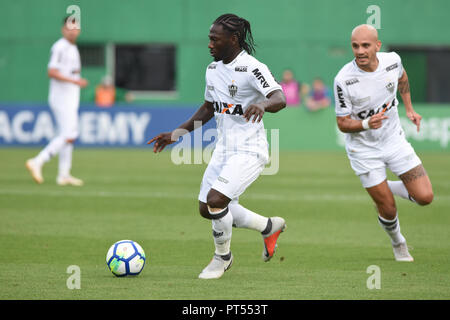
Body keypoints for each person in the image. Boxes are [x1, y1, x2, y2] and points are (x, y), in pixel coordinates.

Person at [148, 14, 287, 279]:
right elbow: (209, 108)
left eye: (215, 39)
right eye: (209, 39)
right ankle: (269, 226)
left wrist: (263, 104)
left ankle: (222, 258)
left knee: (216, 201)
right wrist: (176, 134)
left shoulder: (252, 67)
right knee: (206, 208)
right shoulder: (212, 70)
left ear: (233, 39)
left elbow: (279, 97)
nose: (209, 44)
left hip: (249, 151)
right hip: (224, 149)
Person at [334, 24, 434, 262]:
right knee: (388, 208)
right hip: (364, 150)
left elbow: (402, 78)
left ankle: (380, 187)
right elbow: (342, 123)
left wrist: (409, 108)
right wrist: (367, 123)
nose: (360, 51)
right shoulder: (344, 79)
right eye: (355, 46)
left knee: (425, 197)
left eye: (365, 45)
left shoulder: (392, 61)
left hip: (394, 141)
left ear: (377, 46)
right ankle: (398, 242)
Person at [26, 16, 88, 186]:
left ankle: (63, 174)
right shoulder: (60, 47)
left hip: (70, 98)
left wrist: (75, 82)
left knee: (68, 135)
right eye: (69, 28)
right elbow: (52, 72)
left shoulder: (72, 48)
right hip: (61, 98)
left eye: (75, 28)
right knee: (70, 134)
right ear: (63, 29)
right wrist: (75, 81)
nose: (72, 31)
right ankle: (38, 161)